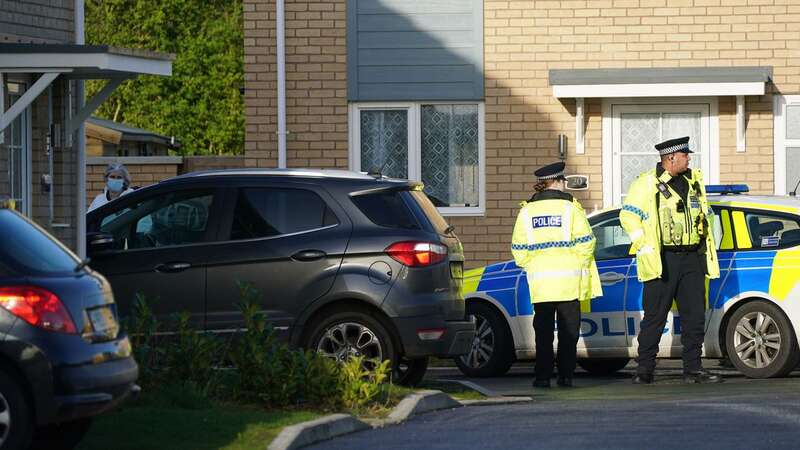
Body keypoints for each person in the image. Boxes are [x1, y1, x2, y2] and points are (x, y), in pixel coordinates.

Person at [620, 136, 722, 384]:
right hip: (662, 259)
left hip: (692, 258)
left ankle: (693, 370)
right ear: (671, 158)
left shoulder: (694, 180)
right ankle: (644, 371)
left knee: (694, 317)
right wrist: (644, 246)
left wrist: (712, 240)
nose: (689, 158)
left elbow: (706, 214)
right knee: (655, 318)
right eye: (686, 155)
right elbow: (628, 217)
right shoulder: (647, 184)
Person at [511, 161, 602, 388]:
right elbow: (587, 242)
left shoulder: (527, 211)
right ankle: (566, 376)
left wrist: (534, 265)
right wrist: (576, 263)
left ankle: (542, 377)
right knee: (568, 333)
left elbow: (518, 250)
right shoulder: (571, 209)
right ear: (559, 182)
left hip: (541, 285)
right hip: (569, 283)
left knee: (543, 334)